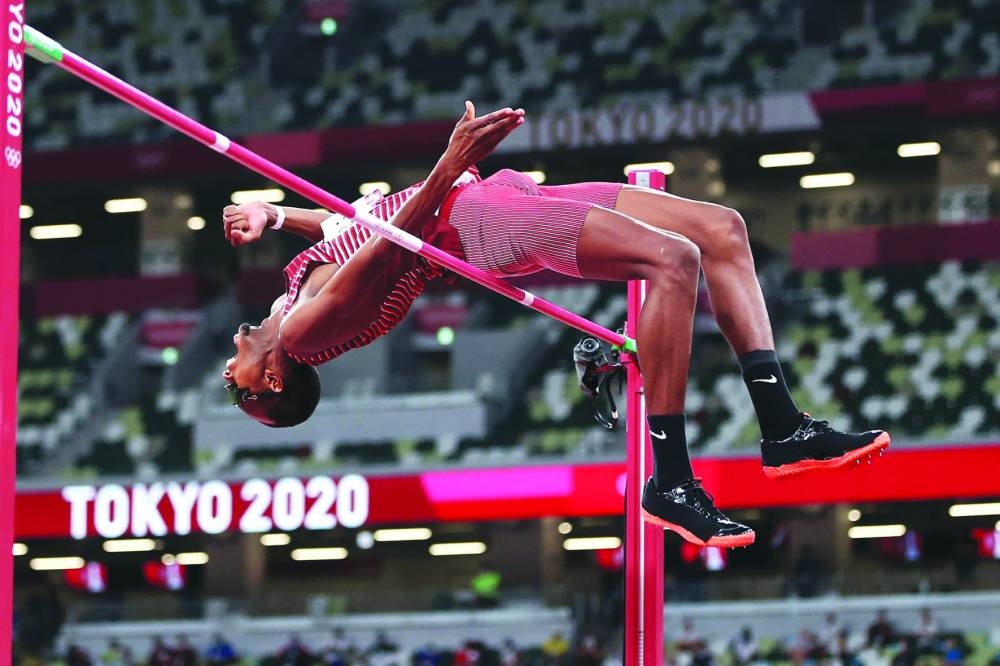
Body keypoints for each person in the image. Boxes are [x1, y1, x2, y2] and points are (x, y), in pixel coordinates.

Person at [220, 102, 889, 546]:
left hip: (492, 194)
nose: (230, 371)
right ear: (275, 378)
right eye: (241, 388)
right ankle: (672, 481)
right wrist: (445, 167)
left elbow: (350, 224)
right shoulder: (309, 336)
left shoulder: (289, 305)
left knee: (721, 229)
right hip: (474, 223)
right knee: (674, 262)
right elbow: (390, 242)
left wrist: (276, 216)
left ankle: (783, 429)